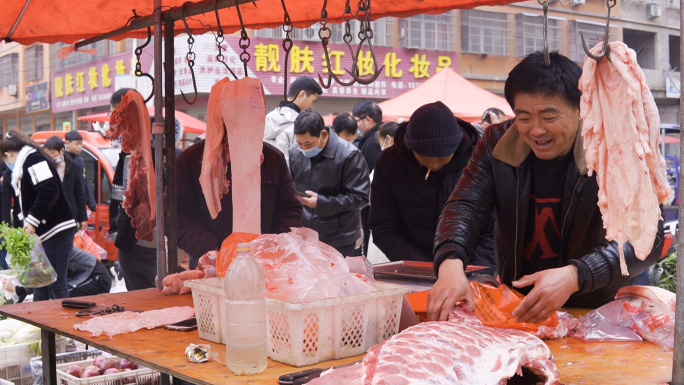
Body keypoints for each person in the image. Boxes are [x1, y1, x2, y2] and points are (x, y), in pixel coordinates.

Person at [427, 51, 663, 322]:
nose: (536, 130)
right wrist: (450, 263)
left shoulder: (614, 148)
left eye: (549, 117)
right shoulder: (496, 143)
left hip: (599, 312)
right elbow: (465, 205)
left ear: (580, 108)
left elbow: (647, 236)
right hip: (520, 307)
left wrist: (577, 275)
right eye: (524, 117)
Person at [369, 102, 496, 273]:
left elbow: (495, 227)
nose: (433, 164)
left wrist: (475, 271)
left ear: (456, 145)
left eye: (442, 157)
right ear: (410, 144)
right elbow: (383, 226)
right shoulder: (390, 163)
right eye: (424, 156)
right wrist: (425, 269)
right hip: (416, 269)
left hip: (471, 267)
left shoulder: (479, 159)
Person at [177, 138, 304, 269]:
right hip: (211, 266)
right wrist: (212, 250)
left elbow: (289, 210)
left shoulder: (274, 158)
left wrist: (272, 248)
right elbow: (175, 216)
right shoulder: (190, 159)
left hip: (265, 266)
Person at [108, 88, 183, 290]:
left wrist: (121, 234)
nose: (113, 122)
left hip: (144, 245)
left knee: (145, 302)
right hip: (149, 242)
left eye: (116, 114)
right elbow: (119, 195)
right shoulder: (130, 151)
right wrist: (116, 229)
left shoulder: (150, 153)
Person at [0, 130, 76, 300]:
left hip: (57, 229)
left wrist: (32, 219)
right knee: (39, 282)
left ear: (7, 155)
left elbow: (49, 190)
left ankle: (61, 322)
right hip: (46, 232)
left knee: (57, 282)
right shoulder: (28, 161)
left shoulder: (33, 159)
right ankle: (43, 323)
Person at [289, 109, 370, 257]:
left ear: (323, 135)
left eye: (308, 143)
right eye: (299, 143)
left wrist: (321, 202)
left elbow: (361, 197)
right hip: (306, 236)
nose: (304, 149)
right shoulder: (295, 152)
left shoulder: (349, 155)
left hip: (341, 238)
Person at [264, 76, 323, 165]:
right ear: (302, 94)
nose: (312, 107)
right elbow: (301, 165)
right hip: (289, 178)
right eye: (313, 101)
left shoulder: (268, 119)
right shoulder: (299, 125)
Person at [352, 100, 383, 255]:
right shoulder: (373, 138)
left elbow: (371, 175)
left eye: (357, 120)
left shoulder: (372, 142)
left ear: (368, 119)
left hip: (372, 204)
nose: (356, 125)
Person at [43, 136, 88, 231]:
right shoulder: (43, 166)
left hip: (69, 215)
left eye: (52, 153)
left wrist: (82, 218)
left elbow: (79, 193)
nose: (49, 156)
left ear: (62, 151)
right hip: (48, 216)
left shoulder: (74, 166)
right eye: (46, 153)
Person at [65, 130, 97, 212]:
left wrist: (91, 204)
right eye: (77, 144)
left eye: (81, 144)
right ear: (67, 143)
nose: (80, 147)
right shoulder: (64, 160)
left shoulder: (80, 160)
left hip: (79, 203)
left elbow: (84, 182)